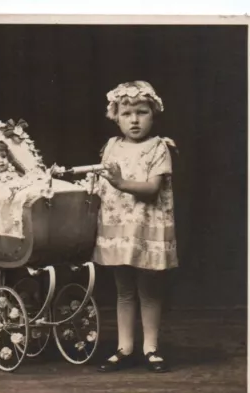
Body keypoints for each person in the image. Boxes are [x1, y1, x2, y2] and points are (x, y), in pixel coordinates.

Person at [93, 81, 178, 373]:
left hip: (147, 228)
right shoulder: (111, 147)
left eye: (142, 112)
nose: (134, 119)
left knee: (149, 291)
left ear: (153, 115)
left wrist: (120, 183)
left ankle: (150, 348)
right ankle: (124, 347)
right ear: (115, 116)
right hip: (119, 229)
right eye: (127, 113)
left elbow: (152, 188)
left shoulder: (159, 148)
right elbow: (102, 186)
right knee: (123, 290)